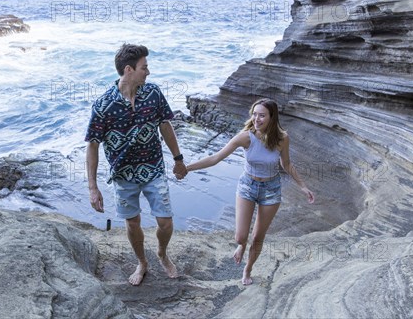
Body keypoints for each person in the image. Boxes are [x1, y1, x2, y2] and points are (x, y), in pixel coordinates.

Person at [85, 43, 188, 286]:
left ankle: (162, 253)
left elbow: (165, 126)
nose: (148, 72)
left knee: (166, 221)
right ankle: (142, 262)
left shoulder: (153, 93)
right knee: (132, 223)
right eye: (145, 67)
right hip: (123, 176)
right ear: (129, 70)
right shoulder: (103, 106)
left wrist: (178, 159)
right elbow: (92, 145)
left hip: (153, 169)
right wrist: (92, 187)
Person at [185, 98, 315, 285]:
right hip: (248, 186)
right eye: (254, 114)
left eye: (262, 115)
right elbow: (215, 157)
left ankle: (247, 270)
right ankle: (241, 246)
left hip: (271, 190)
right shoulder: (246, 136)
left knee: (258, 236)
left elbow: (286, 164)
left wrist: (303, 186)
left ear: (272, 117)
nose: (256, 119)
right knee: (240, 237)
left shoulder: (282, 138)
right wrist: (187, 168)